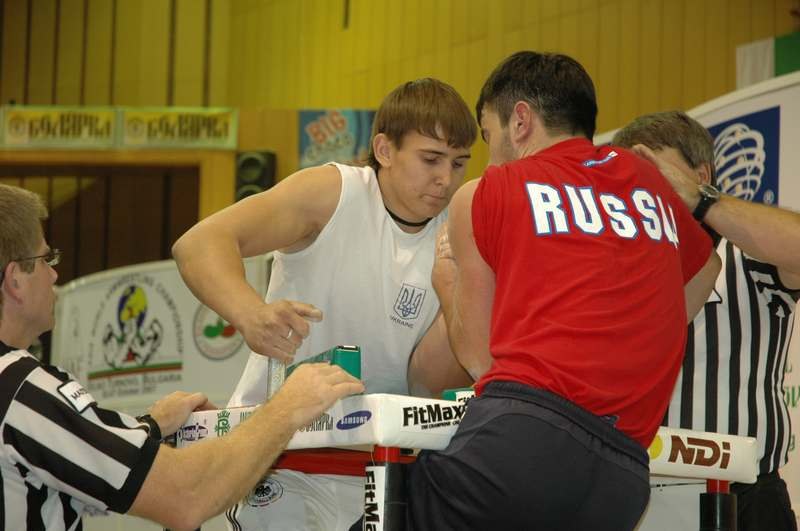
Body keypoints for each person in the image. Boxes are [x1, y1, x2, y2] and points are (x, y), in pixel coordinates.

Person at [406, 51, 721, 530]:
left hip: (521, 442)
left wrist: (445, 278)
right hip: (621, 474)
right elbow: (707, 266)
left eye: (489, 136)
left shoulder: (487, 190)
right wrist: (640, 337)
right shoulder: (646, 182)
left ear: (520, 121)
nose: (490, 156)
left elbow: (476, 355)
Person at [172, 78, 477, 530]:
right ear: (385, 150)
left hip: (379, 463)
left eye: (458, 164)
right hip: (284, 454)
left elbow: (423, 381)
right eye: (430, 159)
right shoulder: (334, 192)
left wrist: (455, 292)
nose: (445, 178)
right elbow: (198, 243)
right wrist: (251, 314)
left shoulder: (456, 231)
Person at [0, 183, 364, 531]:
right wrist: (288, 407)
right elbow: (185, 498)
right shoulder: (21, 392)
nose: (54, 273)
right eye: (46, 258)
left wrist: (151, 426)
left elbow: (84, 459)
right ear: (15, 280)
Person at [613, 111, 799, 531]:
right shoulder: (612, 260)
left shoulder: (746, 255)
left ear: (702, 173)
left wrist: (702, 200)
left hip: (745, 499)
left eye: (658, 174)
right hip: (637, 491)